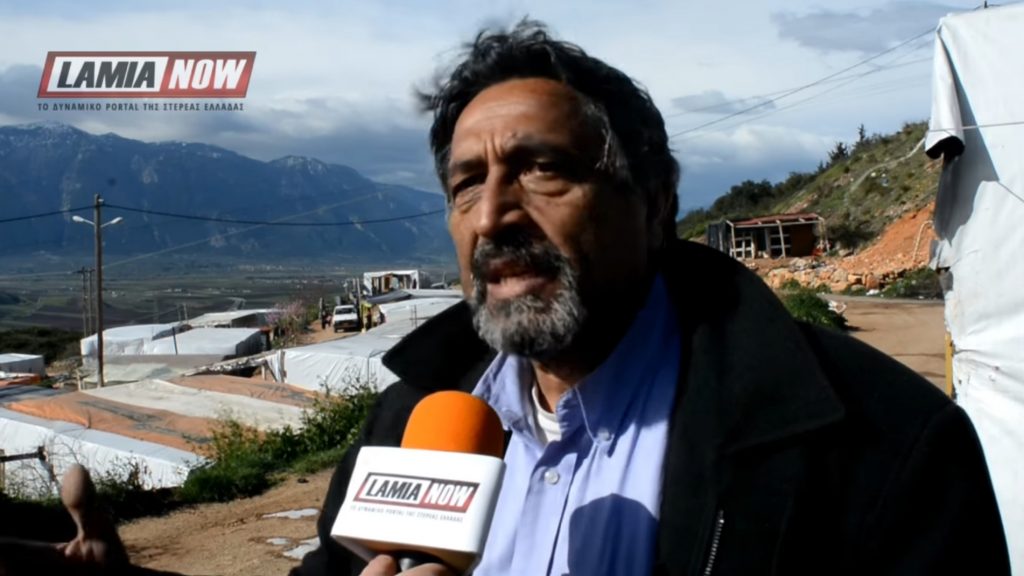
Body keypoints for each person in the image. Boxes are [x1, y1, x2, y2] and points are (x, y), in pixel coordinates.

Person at [0, 18, 1008, 576]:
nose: (493, 216)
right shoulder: (414, 415)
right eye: (464, 185)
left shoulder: (877, 443)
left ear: (656, 202)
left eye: (541, 170)